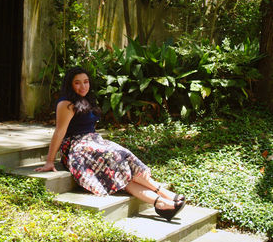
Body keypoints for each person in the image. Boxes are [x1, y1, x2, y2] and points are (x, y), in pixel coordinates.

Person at [35, 66, 186, 221]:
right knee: (115, 158)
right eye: (77, 83)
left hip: (93, 141)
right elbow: (59, 132)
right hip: (76, 148)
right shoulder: (66, 104)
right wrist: (49, 161)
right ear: (70, 85)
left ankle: (160, 202)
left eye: (86, 82)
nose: (83, 86)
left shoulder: (87, 99)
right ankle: (164, 194)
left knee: (122, 160)